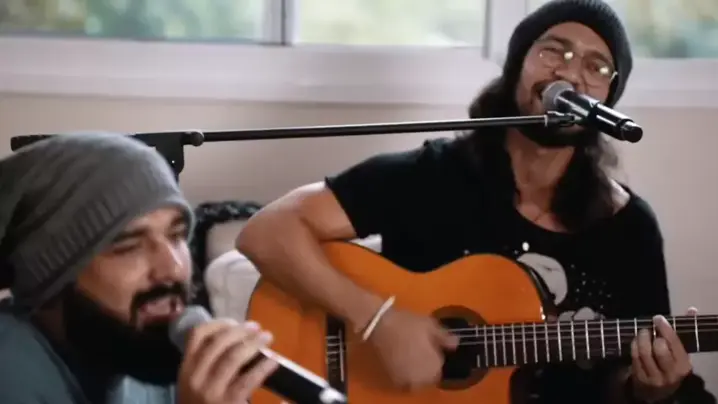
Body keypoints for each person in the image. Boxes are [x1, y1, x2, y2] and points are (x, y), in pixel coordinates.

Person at [236, 0, 716, 403]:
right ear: (517, 67)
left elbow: (623, 375)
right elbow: (265, 232)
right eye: (554, 51)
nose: (571, 72)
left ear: (608, 97)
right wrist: (376, 320)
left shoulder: (626, 226)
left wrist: (648, 388)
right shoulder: (432, 176)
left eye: (597, 66)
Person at [0, 133, 277, 404]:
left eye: (176, 235)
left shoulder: (140, 348)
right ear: (53, 278)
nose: (172, 268)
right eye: (129, 247)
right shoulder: (10, 375)